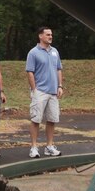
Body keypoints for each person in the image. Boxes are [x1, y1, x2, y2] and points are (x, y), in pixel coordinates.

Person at [25, 26, 63, 158]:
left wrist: (60, 86)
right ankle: (34, 147)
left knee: (52, 119)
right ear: (40, 36)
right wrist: (34, 89)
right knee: (36, 119)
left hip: (53, 92)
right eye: (47, 34)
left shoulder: (55, 52)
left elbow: (58, 69)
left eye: (51, 34)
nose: (50, 36)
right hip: (40, 91)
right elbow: (30, 72)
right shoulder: (33, 52)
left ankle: (49, 146)